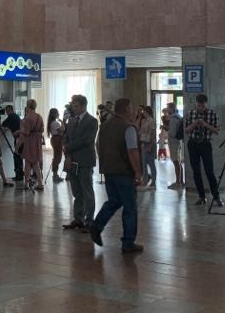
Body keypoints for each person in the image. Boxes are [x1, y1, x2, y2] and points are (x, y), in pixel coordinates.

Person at [90, 98, 144, 254]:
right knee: (130, 207)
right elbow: (132, 151)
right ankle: (128, 242)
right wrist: (138, 172)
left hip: (108, 170)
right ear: (126, 110)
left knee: (114, 200)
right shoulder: (128, 127)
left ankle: (97, 225)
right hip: (124, 172)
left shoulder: (105, 126)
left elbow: (98, 145)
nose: (133, 112)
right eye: (131, 108)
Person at [62, 94, 99, 230]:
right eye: (73, 105)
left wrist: (68, 148)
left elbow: (86, 140)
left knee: (87, 190)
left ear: (84, 106)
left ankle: (89, 219)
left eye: (76, 106)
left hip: (85, 160)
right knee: (76, 191)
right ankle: (78, 218)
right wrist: (68, 155)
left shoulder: (92, 121)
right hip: (72, 160)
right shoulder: (72, 120)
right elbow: (66, 138)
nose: (74, 108)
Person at [184, 94, 223, 207]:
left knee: (209, 171)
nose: (201, 108)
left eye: (203, 106)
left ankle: (216, 197)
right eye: (199, 105)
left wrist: (205, 124)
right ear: (196, 104)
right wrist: (194, 124)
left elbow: (217, 131)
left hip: (205, 144)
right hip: (193, 144)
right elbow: (186, 130)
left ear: (206, 104)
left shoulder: (212, 114)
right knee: (196, 171)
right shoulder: (190, 114)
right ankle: (201, 196)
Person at [18, 99, 45, 190]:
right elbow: (42, 130)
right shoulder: (39, 117)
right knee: (35, 163)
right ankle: (40, 183)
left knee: (28, 162)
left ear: (28, 106)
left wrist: (19, 131)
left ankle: (26, 183)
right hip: (37, 141)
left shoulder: (28, 118)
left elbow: (26, 132)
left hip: (29, 141)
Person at [2, 104, 24, 182]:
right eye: (6, 111)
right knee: (18, 156)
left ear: (11, 110)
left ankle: (19, 175)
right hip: (20, 138)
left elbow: (3, 124)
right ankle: (20, 174)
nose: (7, 112)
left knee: (17, 156)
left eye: (8, 111)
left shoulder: (11, 117)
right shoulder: (16, 116)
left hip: (18, 138)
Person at [165, 102, 184, 189]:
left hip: (173, 142)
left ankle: (177, 182)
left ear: (172, 109)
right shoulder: (178, 117)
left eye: (168, 108)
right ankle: (181, 181)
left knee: (176, 161)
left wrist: (166, 130)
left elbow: (172, 133)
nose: (167, 110)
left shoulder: (173, 119)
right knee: (178, 161)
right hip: (178, 142)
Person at [137, 105, 157, 190]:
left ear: (147, 112)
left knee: (151, 163)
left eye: (144, 111)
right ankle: (145, 180)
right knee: (144, 163)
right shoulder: (145, 120)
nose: (143, 113)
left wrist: (151, 145)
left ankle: (153, 181)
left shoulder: (152, 121)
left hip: (149, 143)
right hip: (144, 143)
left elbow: (153, 133)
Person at [47, 108, 64, 182]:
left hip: (55, 139)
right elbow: (62, 130)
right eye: (57, 113)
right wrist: (62, 122)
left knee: (56, 157)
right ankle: (55, 175)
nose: (59, 114)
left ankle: (55, 174)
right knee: (57, 158)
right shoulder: (55, 123)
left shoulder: (52, 122)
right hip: (57, 139)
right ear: (54, 114)